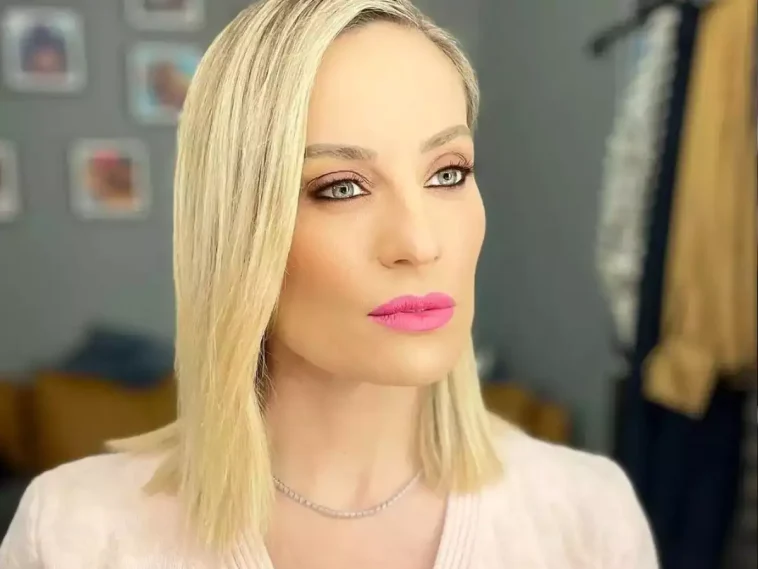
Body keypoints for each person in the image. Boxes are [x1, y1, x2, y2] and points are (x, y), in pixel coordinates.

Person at [0, 0, 658, 567]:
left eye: (448, 173)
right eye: (342, 187)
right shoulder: (75, 532)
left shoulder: (587, 516)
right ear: (240, 229)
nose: (420, 243)